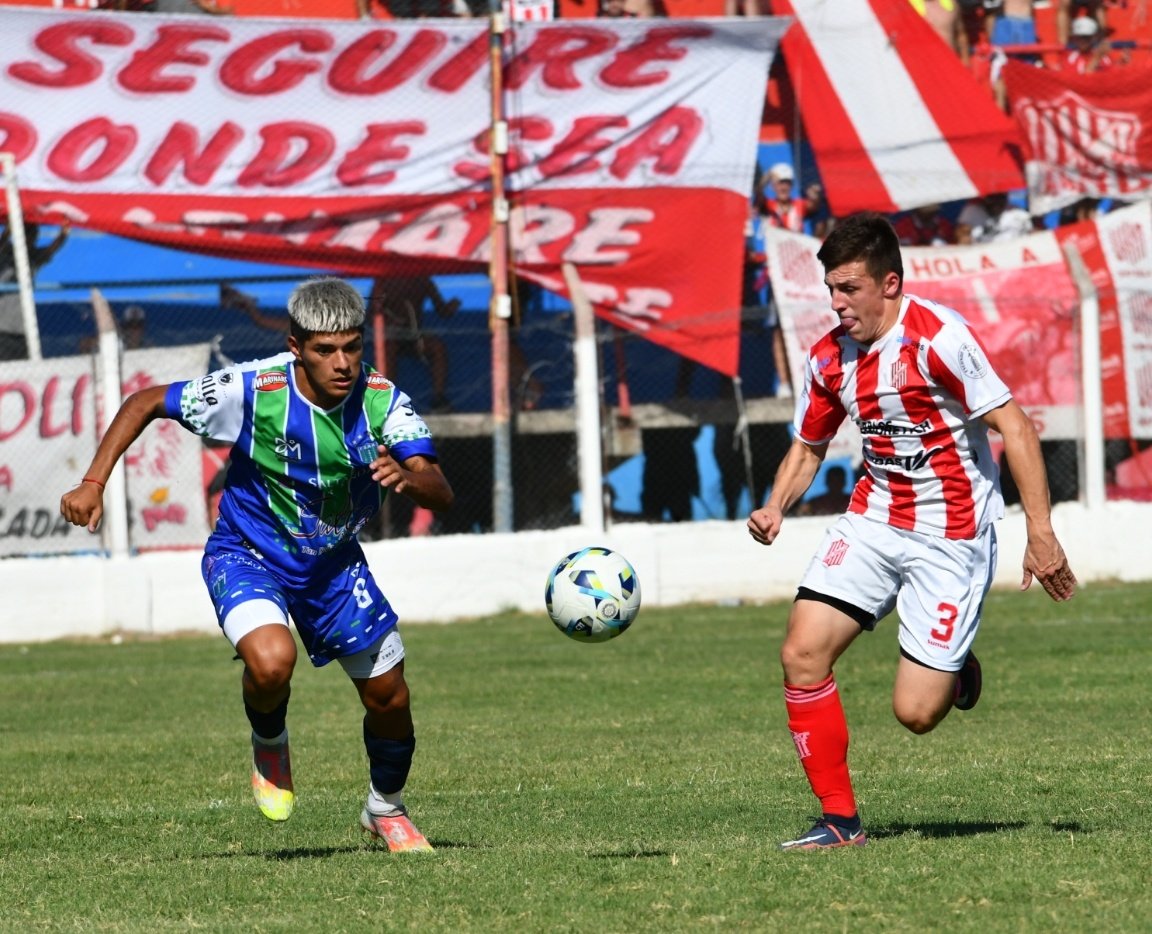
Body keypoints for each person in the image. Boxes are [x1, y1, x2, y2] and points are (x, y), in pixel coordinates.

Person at [59, 277, 455, 852]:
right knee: (272, 662)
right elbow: (145, 402)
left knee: (390, 697)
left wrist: (410, 478)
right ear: (296, 346)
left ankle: (384, 808)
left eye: (351, 347)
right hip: (246, 554)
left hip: (333, 567)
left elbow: (440, 489)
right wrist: (93, 482)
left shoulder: (381, 399)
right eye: (325, 350)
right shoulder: (251, 388)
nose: (342, 363)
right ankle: (270, 739)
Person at [746, 213, 1077, 850]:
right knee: (801, 653)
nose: (836, 303)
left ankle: (951, 667)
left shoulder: (940, 341)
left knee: (916, 714)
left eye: (849, 289)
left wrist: (1040, 532)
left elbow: (1018, 428)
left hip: (951, 535)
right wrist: (776, 505)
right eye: (830, 289)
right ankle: (840, 823)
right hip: (873, 519)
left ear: (890, 283)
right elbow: (809, 445)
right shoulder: (829, 358)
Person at [368, 275, 460, 414]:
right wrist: (390, 322)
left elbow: (442, 310)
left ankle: (439, 398)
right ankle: (387, 399)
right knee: (389, 349)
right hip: (391, 336)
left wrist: (451, 306)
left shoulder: (423, 281)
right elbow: (370, 314)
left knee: (437, 347)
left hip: (414, 337)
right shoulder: (383, 281)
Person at [0, 220, 69, 360]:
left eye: (35, 237)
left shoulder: (33, 256)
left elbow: (53, 248)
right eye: (30, 235)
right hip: (2, 326)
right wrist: (8, 231)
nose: (33, 240)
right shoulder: (6, 252)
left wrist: (64, 232)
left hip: (22, 326)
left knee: (22, 364)